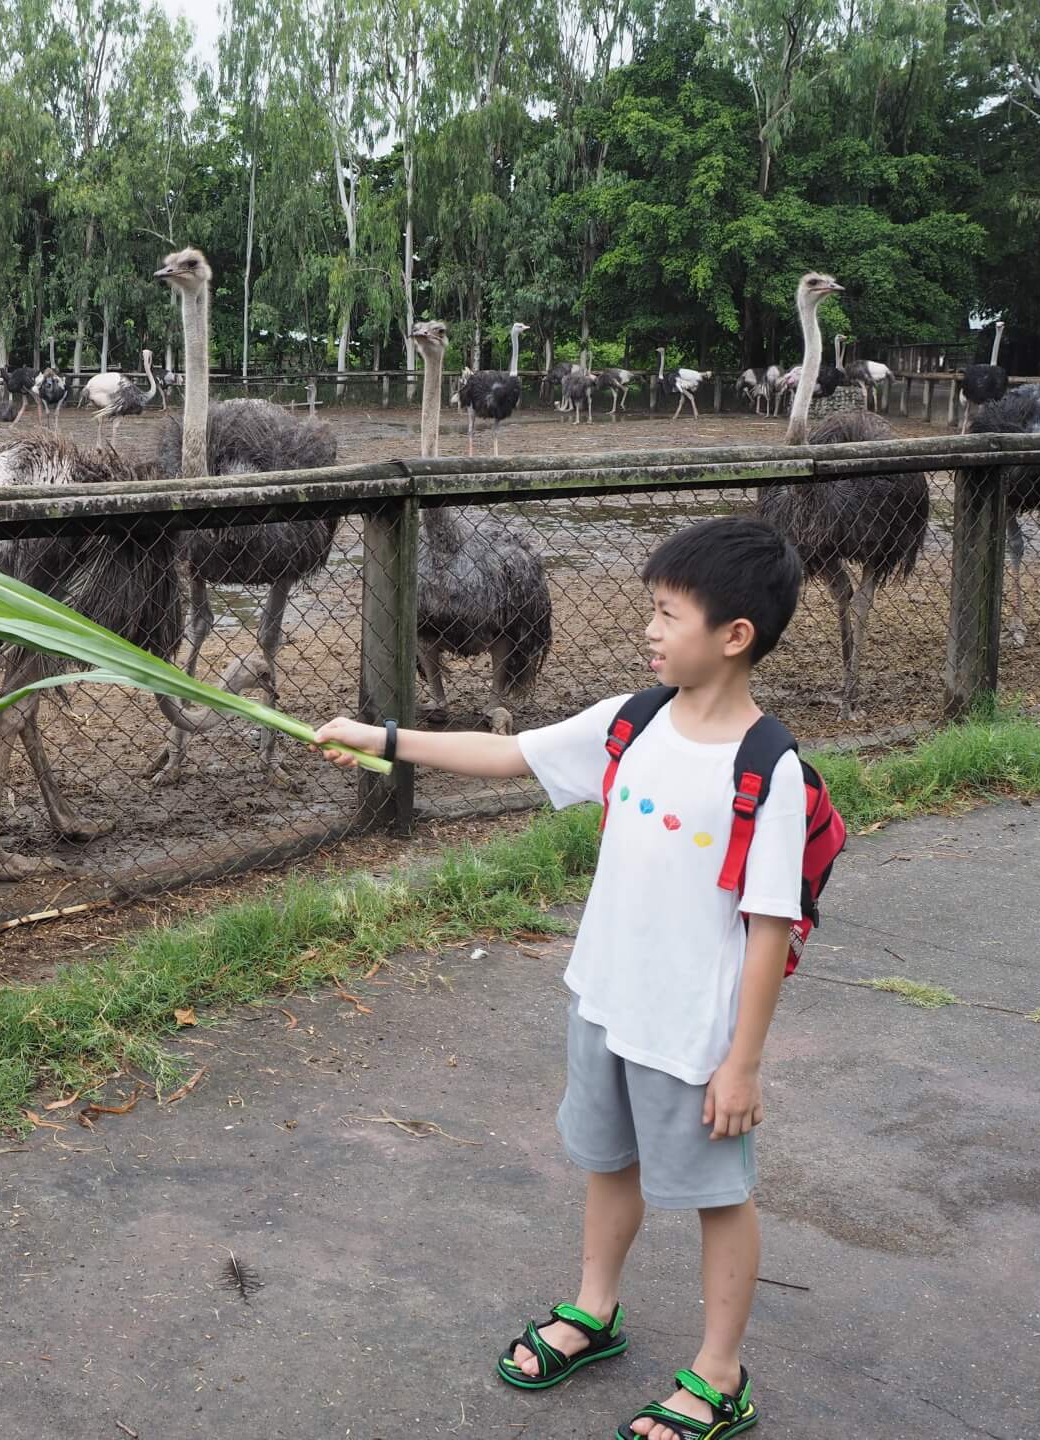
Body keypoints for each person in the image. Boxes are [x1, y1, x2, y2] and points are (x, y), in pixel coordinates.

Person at [312, 516, 806, 1440]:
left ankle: (718, 1371)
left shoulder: (765, 768)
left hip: (690, 1034)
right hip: (607, 1004)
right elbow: (510, 752)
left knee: (716, 1197)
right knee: (605, 1162)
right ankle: (595, 1307)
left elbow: (772, 925)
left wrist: (742, 1062)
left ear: (734, 636)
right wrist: (383, 740)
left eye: (667, 615)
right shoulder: (634, 719)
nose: (649, 631)